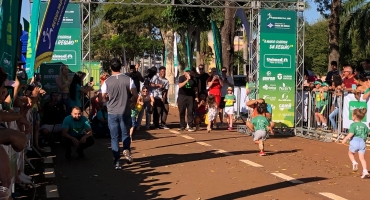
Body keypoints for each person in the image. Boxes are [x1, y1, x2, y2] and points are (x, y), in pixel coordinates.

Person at [99, 58, 138, 170]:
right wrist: (131, 102)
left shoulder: (107, 81)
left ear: (110, 67)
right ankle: (127, 149)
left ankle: (117, 161)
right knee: (125, 134)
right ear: (120, 67)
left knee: (114, 137)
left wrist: (106, 98)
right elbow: (135, 94)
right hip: (125, 111)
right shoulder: (128, 79)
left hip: (112, 112)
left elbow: (102, 99)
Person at [341, 108, 370, 179]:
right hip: (362, 142)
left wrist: (345, 139)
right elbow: (368, 132)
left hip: (355, 141)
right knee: (362, 158)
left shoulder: (353, 125)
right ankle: (365, 171)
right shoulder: (364, 125)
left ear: (354, 116)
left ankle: (354, 162)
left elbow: (351, 133)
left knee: (350, 153)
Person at [177, 67, 198, 132]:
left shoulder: (194, 79)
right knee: (182, 111)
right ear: (184, 72)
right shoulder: (181, 78)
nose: (188, 73)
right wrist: (187, 80)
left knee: (190, 111)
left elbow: (196, 89)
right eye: (187, 72)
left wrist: (196, 96)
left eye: (189, 72)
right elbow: (180, 85)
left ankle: (190, 126)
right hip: (182, 96)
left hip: (190, 96)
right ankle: (182, 126)